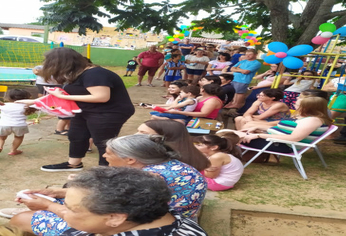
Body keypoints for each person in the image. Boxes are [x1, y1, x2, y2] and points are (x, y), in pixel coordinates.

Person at [17, 48, 135, 170]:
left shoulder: (95, 73)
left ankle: (106, 170)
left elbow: (102, 97)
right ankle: (74, 164)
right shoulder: (77, 75)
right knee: (76, 135)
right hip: (85, 109)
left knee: (102, 141)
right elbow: (68, 95)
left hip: (110, 111)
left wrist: (60, 96)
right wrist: (34, 102)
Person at [10, 166, 207, 236]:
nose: (63, 211)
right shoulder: (166, 214)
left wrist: (48, 206)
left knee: (20, 220)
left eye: (71, 209)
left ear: (115, 218)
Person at [240, 96, 332, 152]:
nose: (294, 106)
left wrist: (259, 135)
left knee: (230, 136)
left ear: (308, 108)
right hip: (275, 141)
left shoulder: (312, 120)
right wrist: (259, 129)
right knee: (229, 133)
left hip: (282, 145)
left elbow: (294, 138)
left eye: (297, 105)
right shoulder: (309, 118)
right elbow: (288, 132)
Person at [137, 120, 211, 171]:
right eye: (138, 131)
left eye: (143, 133)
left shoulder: (161, 159)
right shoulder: (192, 153)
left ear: (164, 136)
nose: (136, 135)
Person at [0, 89, 37, 155]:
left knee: (1, 138)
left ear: (8, 97)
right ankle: (13, 150)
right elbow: (38, 104)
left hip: (4, 124)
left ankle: (0, 146)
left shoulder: (4, 105)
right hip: (19, 125)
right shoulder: (27, 106)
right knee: (18, 137)